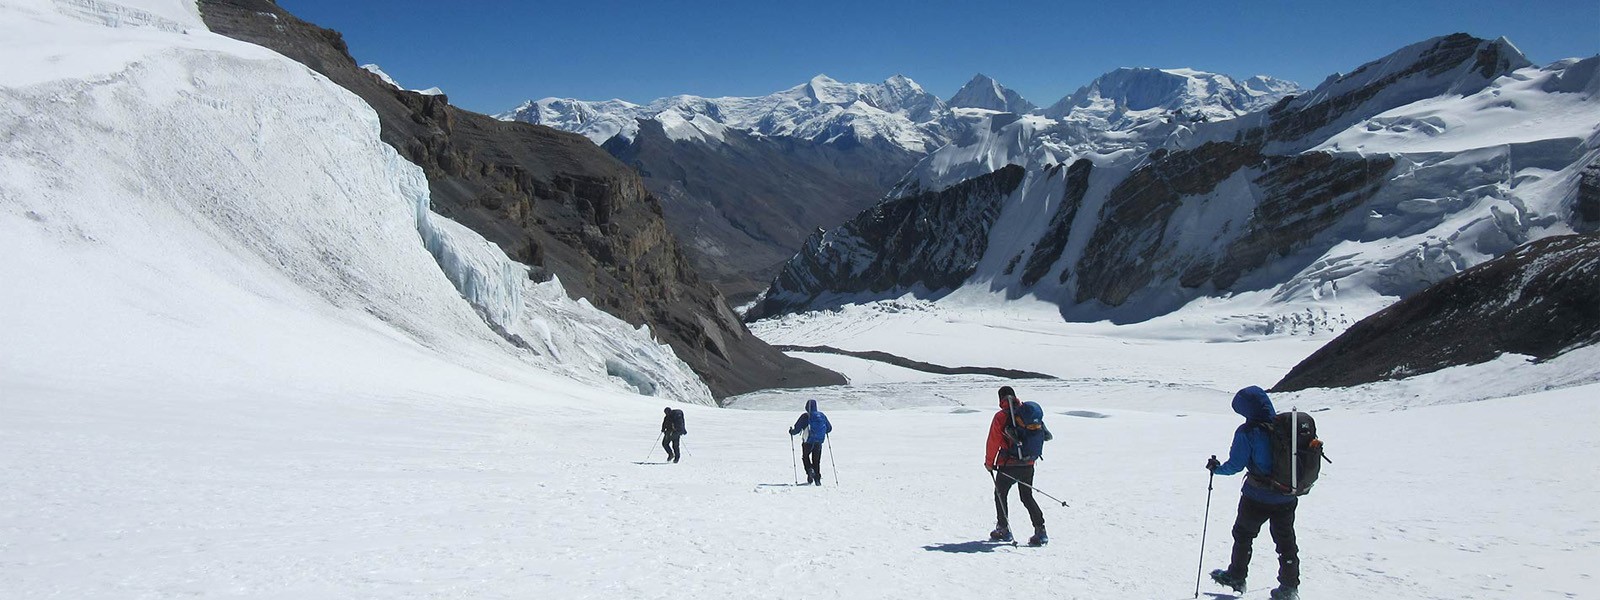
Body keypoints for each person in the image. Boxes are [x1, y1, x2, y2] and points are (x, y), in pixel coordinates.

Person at [1207, 386, 1300, 600]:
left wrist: (1216, 469)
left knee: (1243, 535)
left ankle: (1237, 576)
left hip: (1256, 496)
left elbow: (1236, 465)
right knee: (1286, 542)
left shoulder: (1247, 432)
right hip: (1287, 494)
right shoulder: (1286, 427)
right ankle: (1289, 587)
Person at [985, 385, 1047, 545]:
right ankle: (1040, 531)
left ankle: (1003, 529)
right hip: (1028, 462)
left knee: (1000, 494)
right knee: (1026, 496)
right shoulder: (1026, 413)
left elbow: (994, 441)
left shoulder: (1001, 416)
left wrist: (989, 463)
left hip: (1008, 464)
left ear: (1000, 399)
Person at [787, 399, 832, 485]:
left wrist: (791, 432)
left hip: (808, 441)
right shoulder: (822, 415)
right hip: (819, 441)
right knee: (816, 460)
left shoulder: (805, 416)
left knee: (805, 457)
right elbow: (829, 428)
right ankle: (817, 479)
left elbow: (797, 429)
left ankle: (809, 470)